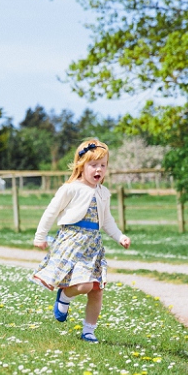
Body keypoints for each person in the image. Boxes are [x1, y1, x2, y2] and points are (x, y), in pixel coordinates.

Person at [30, 137, 130, 343]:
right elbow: (51, 211)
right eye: (93, 165)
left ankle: (89, 331)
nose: (98, 170)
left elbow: (107, 220)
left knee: (96, 290)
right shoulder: (71, 188)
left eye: (103, 165)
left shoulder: (104, 193)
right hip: (72, 241)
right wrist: (40, 236)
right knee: (83, 285)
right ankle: (65, 296)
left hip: (94, 244)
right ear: (81, 165)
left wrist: (119, 236)